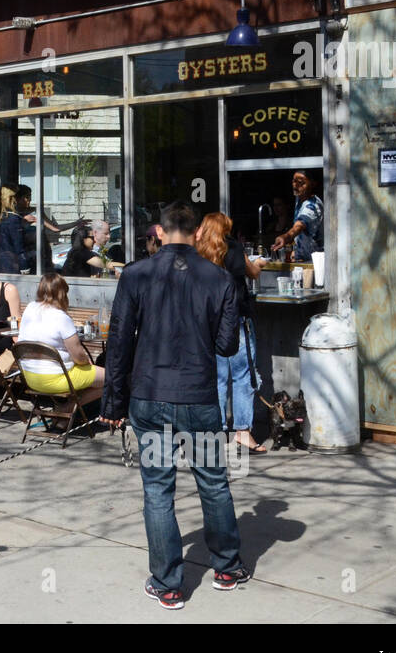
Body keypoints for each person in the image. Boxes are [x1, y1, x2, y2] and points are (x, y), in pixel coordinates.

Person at [98, 200, 248, 610]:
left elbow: (119, 343)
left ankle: (168, 584)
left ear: (160, 233)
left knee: (158, 490)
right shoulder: (219, 278)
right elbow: (227, 344)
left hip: (150, 396)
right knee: (213, 483)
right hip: (198, 397)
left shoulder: (135, 274)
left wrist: (112, 400)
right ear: (198, 233)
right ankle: (227, 567)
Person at [196, 212, 265, 452]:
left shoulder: (197, 252)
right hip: (237, 321)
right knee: (242, 375)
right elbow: (253, 272)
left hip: (208, 323)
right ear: (226, 229)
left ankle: (216, 430)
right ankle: (243, 431)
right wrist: (260, 263)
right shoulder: (233, 248)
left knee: (216, 377)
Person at [17, 272, 105, 406]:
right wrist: (87, 362)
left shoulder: (30, 308)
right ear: (62, 293)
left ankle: (69, 415)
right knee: (112, 379)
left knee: (86, 375)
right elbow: (78, 356)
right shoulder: (61, 317)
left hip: (29, 376)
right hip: (56, 377)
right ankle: (67, 410)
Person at [271, 170, 323, 262]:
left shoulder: (312, 206)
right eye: (294, 181)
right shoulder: (300, 198)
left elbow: (298, 227)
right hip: (303, 258)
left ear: (312, 184)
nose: (296, 185)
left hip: (313, 261)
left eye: (301, 183)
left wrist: (285, 237)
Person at [0, 185, 27, 274]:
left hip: (4, 263)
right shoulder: (13, 219)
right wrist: (25, 268)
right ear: (14, 199)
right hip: (13, 265)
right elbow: (19, 247)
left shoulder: (2, 216)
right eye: (21, 197)